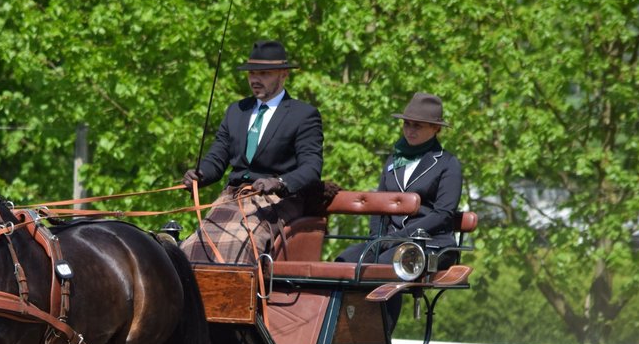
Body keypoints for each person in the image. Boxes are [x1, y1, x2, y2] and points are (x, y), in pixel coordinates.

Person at [181, 39, 323, 264]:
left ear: (283, 74)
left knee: (238, 245)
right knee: (191, 247)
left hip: (276, 201)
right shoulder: (236, 111)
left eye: (263, 73)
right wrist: (199, 175)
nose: (255, 80)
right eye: (251, 74)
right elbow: (217, 159)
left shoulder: (303, 115)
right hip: (232, 198)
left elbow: (311, 167)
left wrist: (279, 182)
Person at [337, 92, 463, 267]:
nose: (409, 130)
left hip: (430, 243)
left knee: (385, 265)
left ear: (436, 128)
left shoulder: (448, 163)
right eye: (406, 124)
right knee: (344, 261)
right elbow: (379, 204)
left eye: (417, 126)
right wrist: (376, 239)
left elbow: (443, 214)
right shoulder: (394, 160)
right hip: (390, 241)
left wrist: (399, 237)